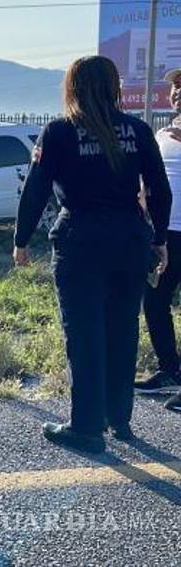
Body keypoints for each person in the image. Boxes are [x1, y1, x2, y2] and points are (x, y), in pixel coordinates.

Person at [15, 55, 171, 453]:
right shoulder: (137, 129)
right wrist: (158, 239)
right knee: (122, 329)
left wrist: (21, 240)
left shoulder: (60, 132)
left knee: (83, 334)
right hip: (130, 239)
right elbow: (158, 188)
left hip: (81, 240)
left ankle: (86, 427)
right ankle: (120, 420)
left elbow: (35, 189)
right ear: (115, 86)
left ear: (73, 87)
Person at [138, 67, 181, 411]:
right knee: (153, 300)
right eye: (175, 87)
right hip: (164, 233)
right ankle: (170, 369)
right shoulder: (160, 134)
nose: (178, 91)